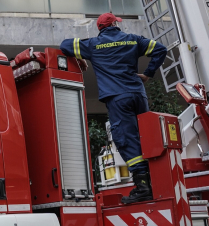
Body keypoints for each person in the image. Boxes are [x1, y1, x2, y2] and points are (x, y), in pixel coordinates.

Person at [61, 13, 167, 204]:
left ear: (100, 28)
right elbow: (161, 50)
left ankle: (143, 187)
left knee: (126, 139)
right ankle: (155, 180)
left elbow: (65, 45)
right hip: (138, 95)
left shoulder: (93, 45)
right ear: (116, 25)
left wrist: (82, 57)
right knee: (146, 136)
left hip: (118, 97)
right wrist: (148, 74)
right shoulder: (133, 40)